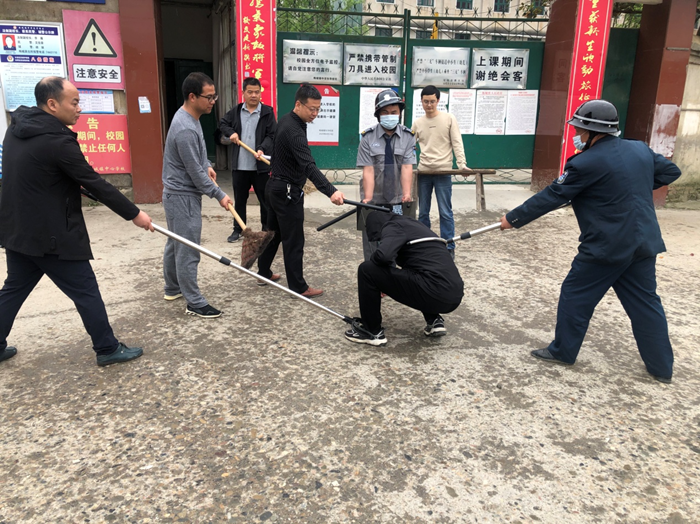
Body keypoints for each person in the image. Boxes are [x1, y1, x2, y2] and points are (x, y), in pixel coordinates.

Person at [500, 99, 681, 383]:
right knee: (645, 304)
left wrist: (513, 218)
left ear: (592, 131)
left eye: (579, 130)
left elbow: (552, 196)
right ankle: (661, 368)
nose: (577, 135)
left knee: (575, 295)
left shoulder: (585, 163)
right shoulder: (639, 149)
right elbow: (672, 171)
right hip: (644, 242)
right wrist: (630, 185)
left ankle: (563, 352)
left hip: (607, 247)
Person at [0, 76, 153, 367]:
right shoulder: (57, 141)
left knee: (14, 289)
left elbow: (41, 176)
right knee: (86, 291)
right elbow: (95, 182)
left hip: (17, 231)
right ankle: (107, 348)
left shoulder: (16, 129)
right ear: (52, 104)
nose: (79, 108)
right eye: (74, 102)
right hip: (51, 237)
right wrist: (135, 214)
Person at [256, 83, 345, 298]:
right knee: (293, 241)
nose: (315, 113)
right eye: (311, 109)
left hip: (274, 187)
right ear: (298, 104)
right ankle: (298, 287)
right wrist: (331, 191)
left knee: (272, 234)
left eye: (318, 109)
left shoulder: (287, 120)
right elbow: (308, 165)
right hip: (287, 192)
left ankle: (263, 272)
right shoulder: (294, 130)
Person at [162, 72, 233, 318]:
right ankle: (194, 301)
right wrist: (219, 194)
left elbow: (197, 158)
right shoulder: (185, 128)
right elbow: (194, 173)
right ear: (192, 97)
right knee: (188, 249)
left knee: (176, 243)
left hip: (177, 194)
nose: (213, 101)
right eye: (209, 97)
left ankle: (172, 288)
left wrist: (207, 164)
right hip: (182, 196)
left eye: (215, 96)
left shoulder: (191, 118)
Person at [344, 212, 464, 346]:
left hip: (433, 290)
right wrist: (383, 282)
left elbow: (383, 256)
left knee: (367, 270)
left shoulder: (393, 226)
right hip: (454, 296)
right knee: (419, 272)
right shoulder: (415, 226)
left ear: (377, 226)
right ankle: (434, 320)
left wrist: (376, 271)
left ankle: (371, 331)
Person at [356, 89, 416, 260]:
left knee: (398, 240)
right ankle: (372, 272)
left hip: (398, 198)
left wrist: (406, 194)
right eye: (385, 112)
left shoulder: (408, 137)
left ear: (400, 113)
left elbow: (407, 167)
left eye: (394, 112)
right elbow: (368, 169)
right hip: (374, 198)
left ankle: (394, 273)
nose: (390, 115)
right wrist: (368, 198)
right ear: (378, 115)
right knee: (372, 241)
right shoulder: (367, 138)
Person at [411, 85, 468, 259]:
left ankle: (449, 246)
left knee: (445, 212)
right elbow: (409, 146)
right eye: (426, 101)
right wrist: (408, 167)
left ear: (438, 101)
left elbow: (457, 142)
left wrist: (462, 164)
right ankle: (424, 245)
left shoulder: (449, 119)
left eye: (432, 101)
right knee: (423, 212)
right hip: (424, 172)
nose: (429, 105)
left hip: (444, 172)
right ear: (421, 102)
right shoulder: (418, 123)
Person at [218, 77, 277, 243]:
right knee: (240, 201)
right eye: (250, 92)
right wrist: (231, 133)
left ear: (260, 93)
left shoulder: (267, 112)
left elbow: (272, 135)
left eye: (257, 92)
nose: (253, 95)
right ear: (243, 93)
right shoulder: (236, 111)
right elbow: (223, 124)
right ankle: (238, 230)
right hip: (240, 166)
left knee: (265, 201)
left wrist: (262, 148)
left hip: (260, 167)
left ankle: (266, 231)